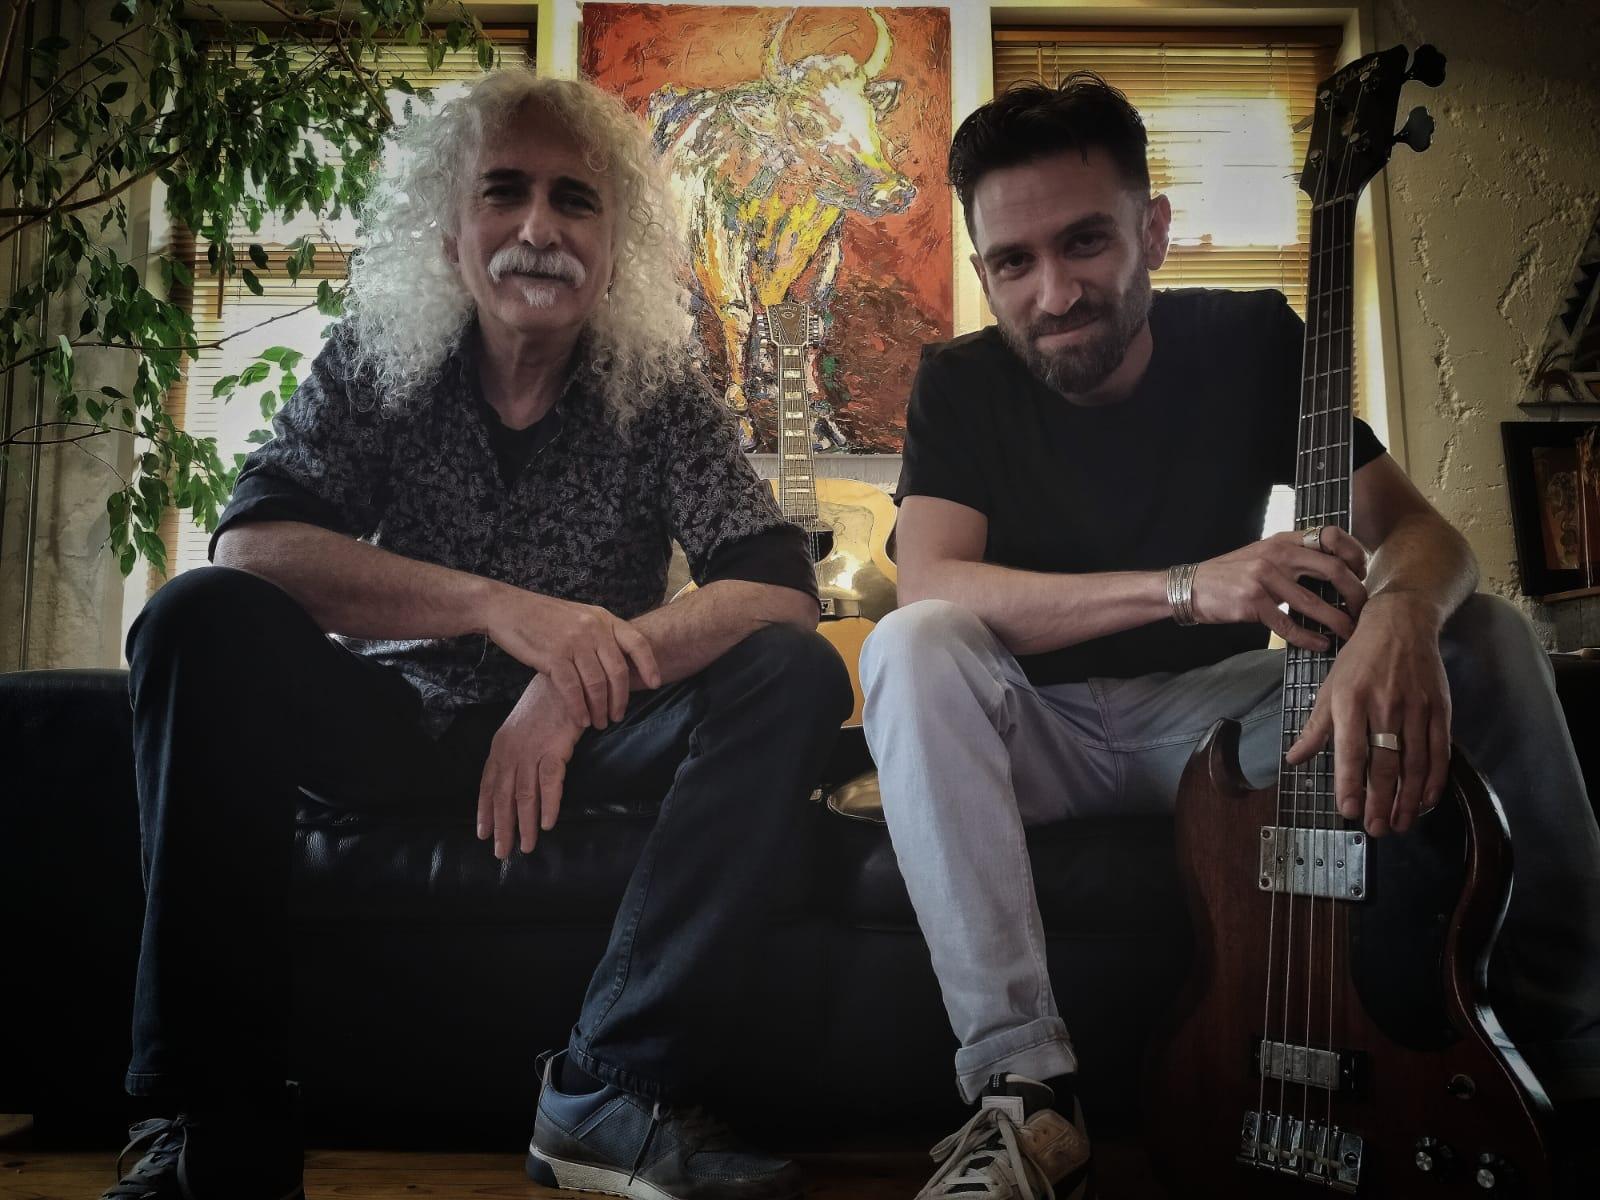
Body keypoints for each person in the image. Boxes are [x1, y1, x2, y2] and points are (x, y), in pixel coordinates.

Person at [105, 71, 851, 1200]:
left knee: (791, 673)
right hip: (389, 725)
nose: (539, 228)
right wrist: (502, 608)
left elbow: (776, 585)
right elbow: (253, 545)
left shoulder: (659, 392)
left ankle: (607, 1092)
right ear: (450, 232)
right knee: (192, 617)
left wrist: (569, 684)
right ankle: (214, 1123)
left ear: (615, 248)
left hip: (587, 738)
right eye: (505, 192)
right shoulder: (378, 361)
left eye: (575, 200)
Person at [860, 75, 1600, 1200]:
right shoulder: (958, 383)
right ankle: (1025, 1094)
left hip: (1214, 722)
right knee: (910, 646)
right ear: (983, 270)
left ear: (1153, 232)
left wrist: (1400, 614)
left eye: (1085, 242)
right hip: (1030, 730)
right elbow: (931, 581)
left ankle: (1575, 1048)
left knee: (1488, 633)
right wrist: (1189, 589)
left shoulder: (1252, 336)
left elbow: (1422, 536)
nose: (1054, 292)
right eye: (1013, 262)